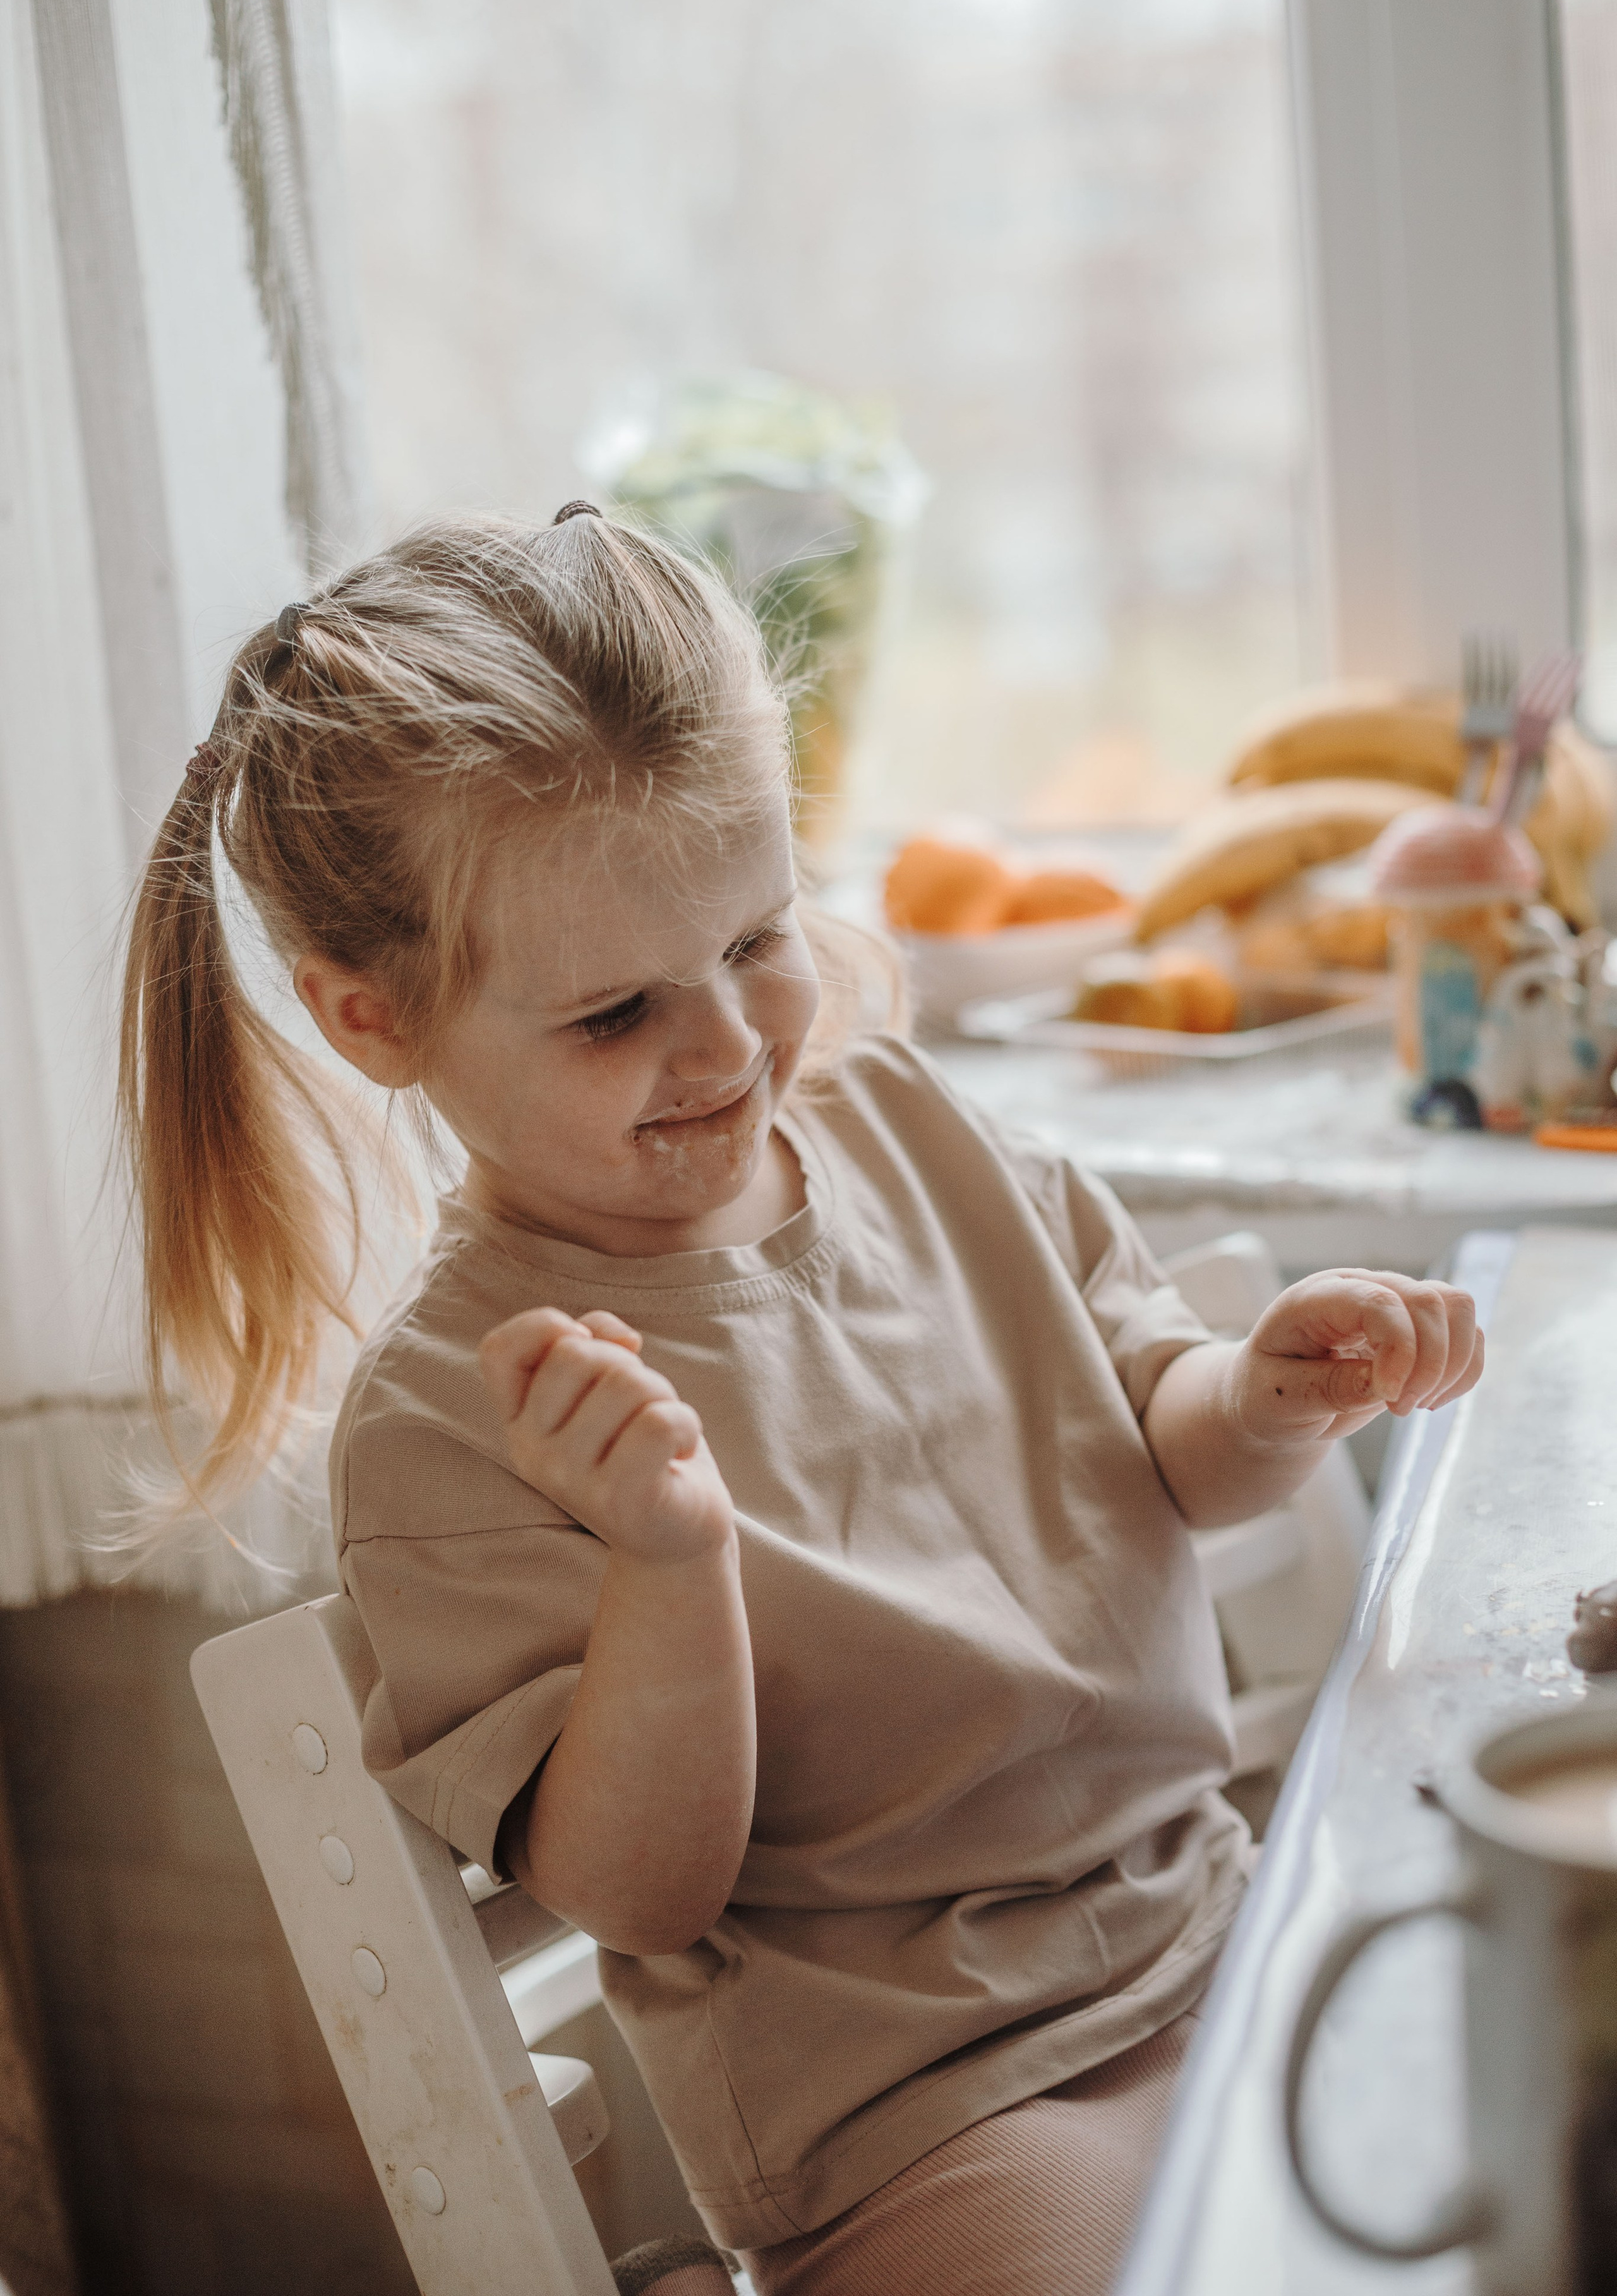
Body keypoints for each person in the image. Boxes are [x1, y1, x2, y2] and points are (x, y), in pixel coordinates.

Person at [119, 507, 1482, 2296]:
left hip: (1238, 1922)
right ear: (374, 1023)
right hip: (927, 2112)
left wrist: (1275, 1389)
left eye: (759, 938)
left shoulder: (910, 1124)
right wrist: (669, 1566)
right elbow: (644, 1890)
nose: (730, 1046)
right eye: (613, 1015)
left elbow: (1165, 1444)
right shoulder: (458, 1416)